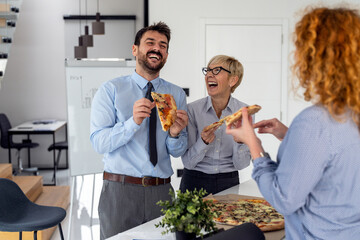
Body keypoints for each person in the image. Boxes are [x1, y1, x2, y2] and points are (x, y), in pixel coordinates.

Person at [226, 7, 360, 239]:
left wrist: (253, 144)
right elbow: (336, 161)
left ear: (313, 57)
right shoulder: (352, 115)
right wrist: (289, 135)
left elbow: (283, 199)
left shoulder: (315, 122)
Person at [90, 22, 188, 240]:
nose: (157, 48)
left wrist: (174, 134)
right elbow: (99, 142)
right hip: (120, 190)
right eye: (150, 43)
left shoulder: (177, 94)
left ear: (166, 54)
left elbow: (178, 151)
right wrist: (131, 123)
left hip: (162, 191)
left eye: (163, 45)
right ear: (135, 49)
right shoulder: (111, 90)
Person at [180, 55, 252, 195]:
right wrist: (203, 142)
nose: (209, 75)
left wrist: (240, 141)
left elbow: (242, 165)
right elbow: (188, 163)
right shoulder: (192, 110)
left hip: (229, 183)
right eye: (208, 70)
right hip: (194, 182)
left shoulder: (244, 113)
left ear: (233, 80)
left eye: (217, 70)